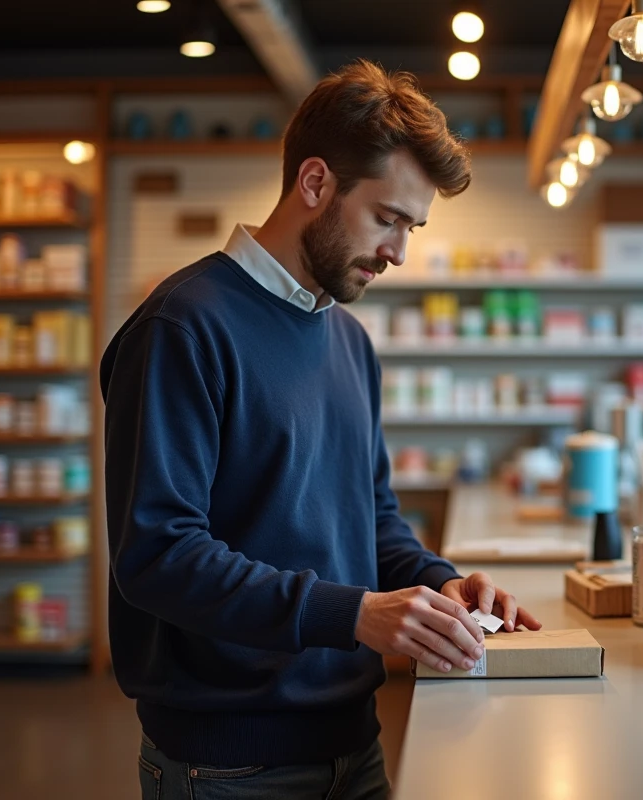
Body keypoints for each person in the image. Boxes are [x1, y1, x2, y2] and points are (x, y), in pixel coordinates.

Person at [101, 59, 541, 800]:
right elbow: (158, 555)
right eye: (388, 218)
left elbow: (372, 521)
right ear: (315, 184)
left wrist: (441, 586)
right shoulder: (184, 326)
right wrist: (355, 614)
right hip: (229, 766)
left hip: (354, 746)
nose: (399, 252)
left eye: (412, 227)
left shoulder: (348, 341)